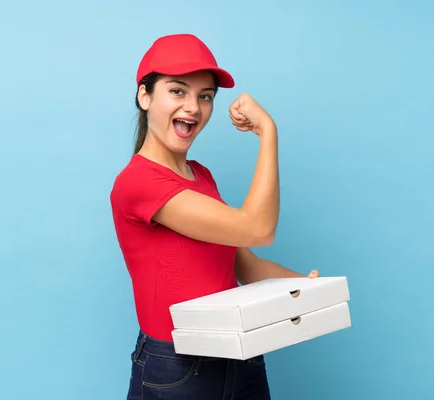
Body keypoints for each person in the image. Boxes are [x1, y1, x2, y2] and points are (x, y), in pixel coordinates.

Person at [110, 33, 319, 400]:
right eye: (178, 91)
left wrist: (309, 287)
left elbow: (245, 265)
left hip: (240, 352)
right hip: (178, 366)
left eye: (204, 96)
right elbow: (257, 228)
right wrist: (267, 132)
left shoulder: (201, 175)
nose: (193, 107)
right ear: (144, 96)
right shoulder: (138, 181)